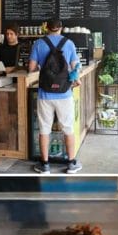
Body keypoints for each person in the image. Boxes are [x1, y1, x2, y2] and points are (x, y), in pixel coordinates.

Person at [28, 18, 82, 174]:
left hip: (45, 93)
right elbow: (75, 67)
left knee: (44, 129)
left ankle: (44, 165)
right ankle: (71, 163)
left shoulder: (38, 43)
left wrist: (39, 65)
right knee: (68, 128)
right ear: (61, 28)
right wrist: (76, 80)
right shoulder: (69, 43)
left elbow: (31, 68)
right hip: (64, 93)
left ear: (46, 28)